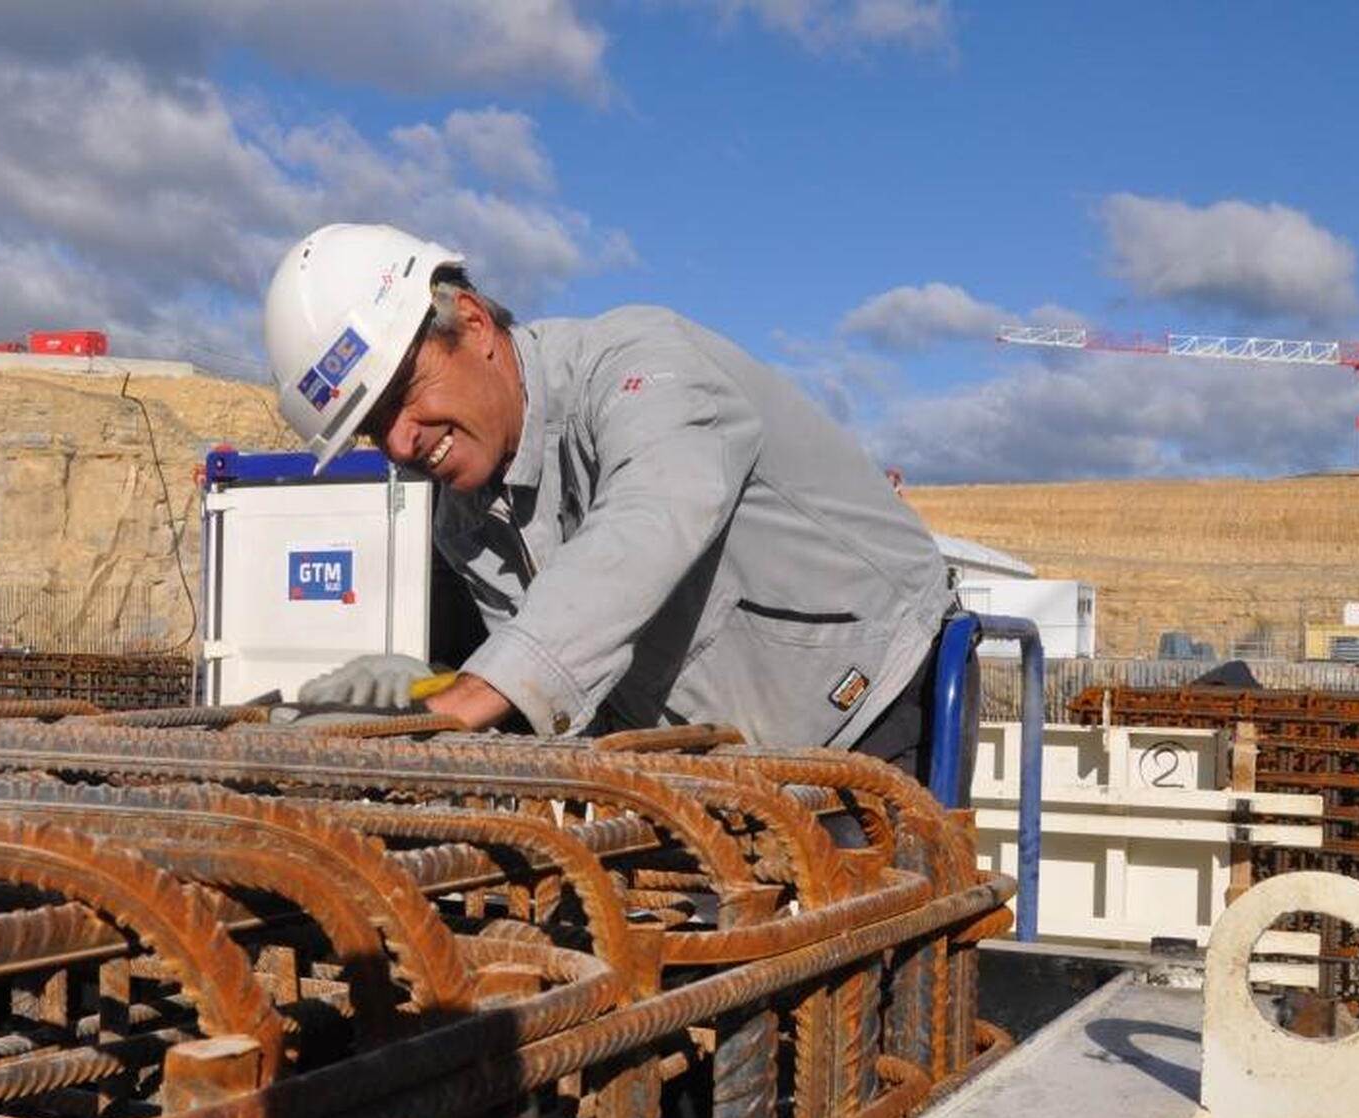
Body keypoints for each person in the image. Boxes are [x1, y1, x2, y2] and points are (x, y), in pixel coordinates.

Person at [264, 223, 956, 772]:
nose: (401, 442)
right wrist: (426, 695)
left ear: (472, 324)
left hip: (875, 703)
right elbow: (564, 690)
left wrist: (471, 696)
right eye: (372, 429)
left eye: (401, 398)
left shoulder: (642, 366)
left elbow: (651, 517)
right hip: (719, 766)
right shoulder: (464, 521)